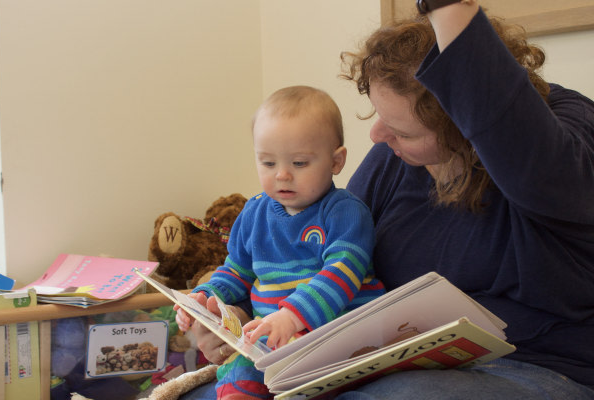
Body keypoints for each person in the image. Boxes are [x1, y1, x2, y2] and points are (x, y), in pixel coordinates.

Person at [182, 2, 594, 399]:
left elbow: (522, 145)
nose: (378, 135)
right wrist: (232, 315)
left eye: (404, 130)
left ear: (465, 127)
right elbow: (315, 257)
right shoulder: (393, 158)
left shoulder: (562, 142)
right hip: (388, 362)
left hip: (536, 368)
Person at [175, 85, 385, 399]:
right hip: (273, 341)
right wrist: (205, 298)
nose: (282, 175)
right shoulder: (254, 212)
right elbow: (237, 270)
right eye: (268, 163)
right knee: (237, 374)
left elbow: (342, 272)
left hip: (336, 337)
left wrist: (292, 316)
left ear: (336, 161)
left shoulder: (346, 212)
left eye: (299, 163)